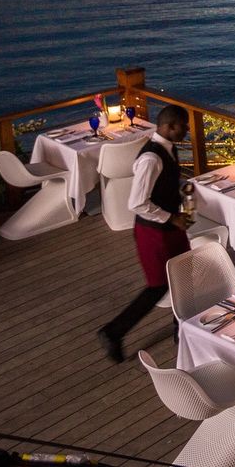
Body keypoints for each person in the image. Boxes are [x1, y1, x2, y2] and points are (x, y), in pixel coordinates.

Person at [97, 103, 192, 362]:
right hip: (154, 234)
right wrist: (171, 216)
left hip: (170, 229)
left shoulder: (166, 150)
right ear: (169, 126)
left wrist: (181, 190)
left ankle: (182, 332)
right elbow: (137, 203)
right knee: (158, 286)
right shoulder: (151, 158)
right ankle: (113, 331)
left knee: (183, 279)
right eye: (183, 126)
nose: (186, 130)